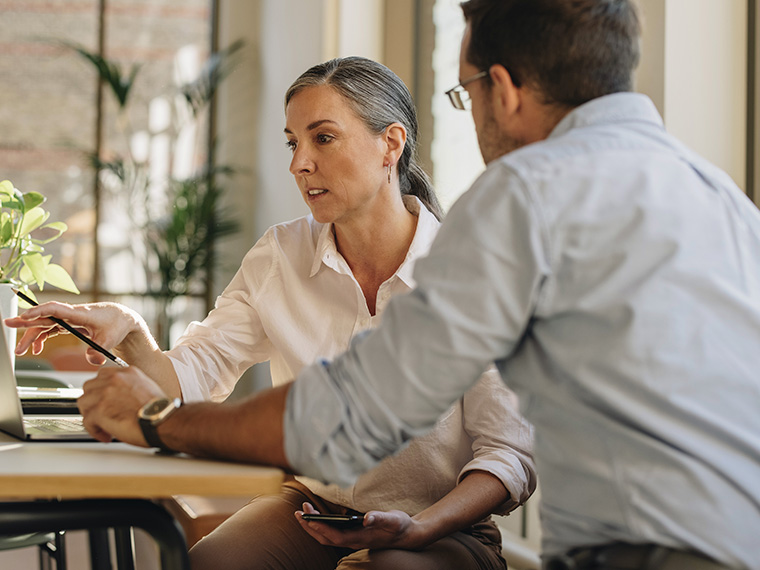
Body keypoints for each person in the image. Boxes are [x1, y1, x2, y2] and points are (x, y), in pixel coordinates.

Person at [8, 1, 760, 568]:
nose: (301, 164)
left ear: (503, 89)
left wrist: (159, 421)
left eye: (463, 95)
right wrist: (142, 353)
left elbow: (353, 415)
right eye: (293, 143)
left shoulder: (525, 195)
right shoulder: (722, 197)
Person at [8, 56, 535, 570]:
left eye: (322, 138)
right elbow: (196, 377)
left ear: (390, 144)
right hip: (307, 507)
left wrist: (419, 527)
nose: (298, 163)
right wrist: (133, 337)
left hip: (439, 528)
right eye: (292, 142)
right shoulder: (279, 255)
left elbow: (507, 456)